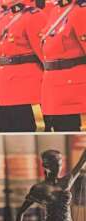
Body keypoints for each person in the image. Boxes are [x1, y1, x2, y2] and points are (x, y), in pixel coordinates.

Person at [8, 147, 86, 221]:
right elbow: (21, 212)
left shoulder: (66, 181)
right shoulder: (39, 188)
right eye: (54, 164)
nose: (58, 167)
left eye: (60, 163)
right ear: (45, 165)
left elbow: (82, 160)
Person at [0, 0, 48, 132]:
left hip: (25, 88)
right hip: (4, 87)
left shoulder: (33, 16)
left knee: (25, 132)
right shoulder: (4, 18)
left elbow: (45, 55)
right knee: (3, 134)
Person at [40, 0, 86, 131]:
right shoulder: (56, 10)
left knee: (72, 134)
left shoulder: (81, 11)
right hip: (53, 87)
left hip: (72, 89)